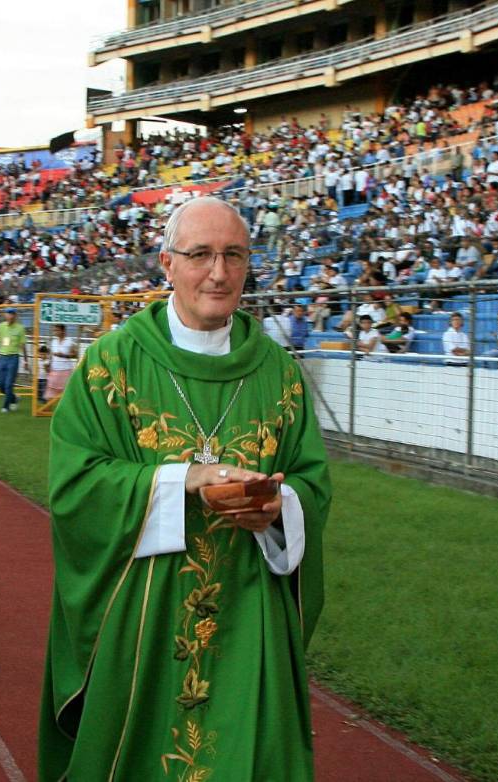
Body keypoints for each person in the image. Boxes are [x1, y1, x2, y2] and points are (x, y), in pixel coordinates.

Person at [39, 197, 331, 781]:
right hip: (143, 623)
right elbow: (75, 488)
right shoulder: (110, 365)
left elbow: (311, 481)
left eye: (234, 255)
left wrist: (279, 507)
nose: (218, 273)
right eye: (200, 255)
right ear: (167, 264)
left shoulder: (279, 372)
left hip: (248, 613)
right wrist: (181, 479)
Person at [0, 307, 27, 412]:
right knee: (0, 385)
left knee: (9, 384)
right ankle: (14, 398)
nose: (10, 316)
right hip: (2, 358)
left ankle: (6, 406)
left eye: (12, 314)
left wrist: (25, 361)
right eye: (8, 313)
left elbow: (23, 345)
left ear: (15, 316)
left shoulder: (20, 328)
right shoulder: (1, 327)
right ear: (5, 315)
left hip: (13, 358)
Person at [45, 323, 77, 401]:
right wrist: (48, 364)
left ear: (63, 331)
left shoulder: (70, 341)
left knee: (66, 393)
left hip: (66, 370)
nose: (55, 332)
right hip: (54, 370)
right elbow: (51, 355)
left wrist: (64, 355)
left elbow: (75, 355)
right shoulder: (53, 342)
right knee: (50, 393)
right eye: (54, 330)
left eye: (57, 330)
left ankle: (65, 407)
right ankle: (49, 408)